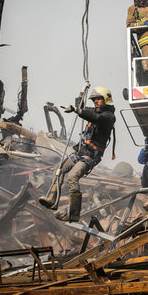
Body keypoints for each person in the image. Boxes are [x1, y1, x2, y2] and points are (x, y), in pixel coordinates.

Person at [39, 86, 116, 222]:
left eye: (98, 99)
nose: (95, 102)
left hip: (90, 156)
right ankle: (52, 199)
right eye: (94, 100)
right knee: (59, 169)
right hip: (80, 150)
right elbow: (81, 108)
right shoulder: (95, 111)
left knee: (72, 176)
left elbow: (94, 117)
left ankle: (73, 214)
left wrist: (77, 110)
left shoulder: (109, 117)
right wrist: (82, 91)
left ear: (106, 100)